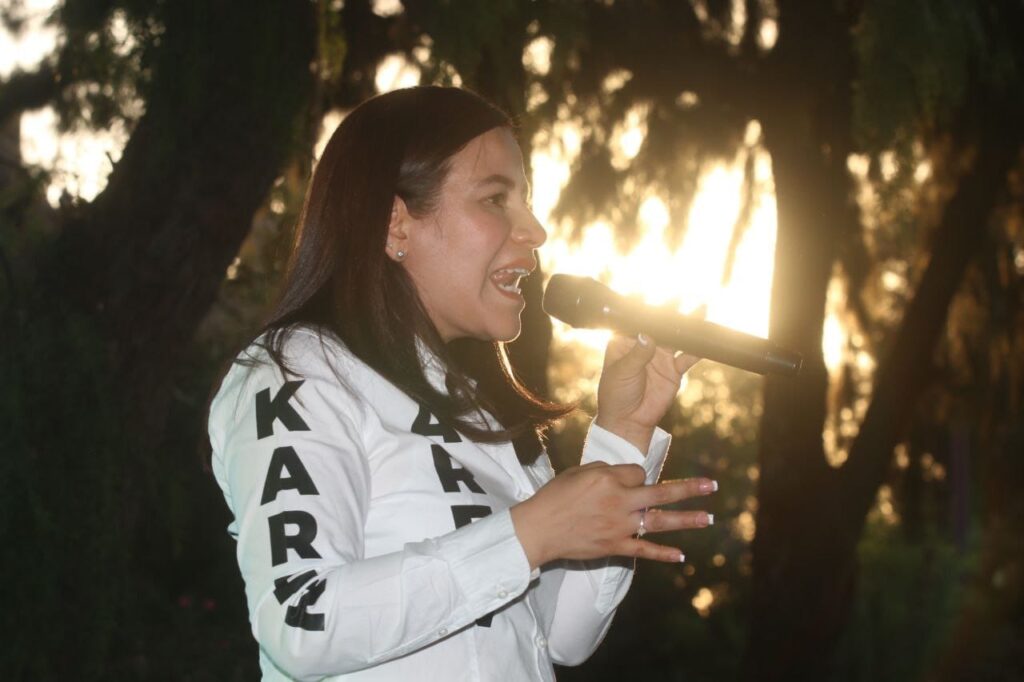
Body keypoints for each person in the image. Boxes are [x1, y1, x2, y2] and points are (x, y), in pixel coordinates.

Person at [206, 86, 716, 682]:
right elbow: (302, 618)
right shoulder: (296, 370)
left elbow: (564, 635)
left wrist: (624, 430)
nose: (535, 231)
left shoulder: (482, 408)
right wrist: (527, 534)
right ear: (395, 223)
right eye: (496, 198)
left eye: (526, 202)